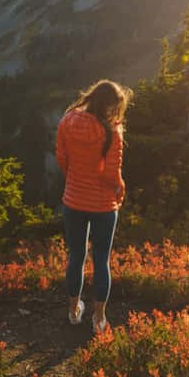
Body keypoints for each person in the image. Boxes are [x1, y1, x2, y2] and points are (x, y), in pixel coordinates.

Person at [55, 79, 132, 334]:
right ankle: (99, 319)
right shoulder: (112, 131)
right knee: (101, 261)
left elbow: (62, 158)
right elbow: (112, 175)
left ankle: (73, 311)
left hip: (74, 200)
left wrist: (76, 181)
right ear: (110, 106)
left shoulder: (67, 120)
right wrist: (120, 189)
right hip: (103, 206)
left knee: (75, 257)